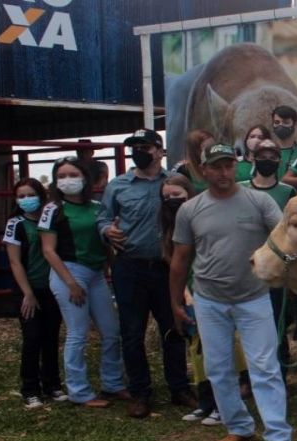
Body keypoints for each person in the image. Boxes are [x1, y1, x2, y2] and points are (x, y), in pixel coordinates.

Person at [170, 143, 293, 441]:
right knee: (218, 367)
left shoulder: (259, 201)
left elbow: (282, 241)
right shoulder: (190, 210)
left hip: (253, 297)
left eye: (229, 165)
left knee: (264, 366)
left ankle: (278, 436)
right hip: (209, 301)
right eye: (216, 166)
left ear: (236, 167)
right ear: (204, 170)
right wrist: (175, 300)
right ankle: (238, 426)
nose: (224, 172)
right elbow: (180, 259)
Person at [97, 129, 195, 419]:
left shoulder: (174, 184)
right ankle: (139, 392)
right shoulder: (117, 186)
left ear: (160, 151)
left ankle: (179, 387)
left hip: (167, 267)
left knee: (173, 329)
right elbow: (102, 216)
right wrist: (105, 229)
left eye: (146, 146)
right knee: (132, 332)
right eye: (135, 147)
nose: (139, 151)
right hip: (130, 266)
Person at [159, 174, 250, 426]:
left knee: (218, 351)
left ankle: (225, 405)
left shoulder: (203, 219)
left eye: (176, 195)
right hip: (189, 293)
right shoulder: (168, 226)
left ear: (189, 193)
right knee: (197, 350)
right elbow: (174, 263)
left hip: (210, 292)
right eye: (166, 197)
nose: (171, 200)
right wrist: (183, 295)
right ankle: (206, 402)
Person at [38, 156, 128, 408]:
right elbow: (48, 250)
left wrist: (112, 269)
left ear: (85, 178)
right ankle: (79, 391)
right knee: (77, 334)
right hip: (69, 272)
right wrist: (70, 283)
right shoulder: (52, 210)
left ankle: (113, 382)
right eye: (61, 176)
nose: (67, 180)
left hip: (97, 274)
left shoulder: (97, 208)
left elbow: (105, 243)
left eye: (73, 175)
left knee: (111, 332)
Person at [3, 178, 66, 409]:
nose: (25, 199)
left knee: (51, 337)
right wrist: (27, 293)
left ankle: (52, 385)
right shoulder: (15, 224)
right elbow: (14, 261)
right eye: (20, 196)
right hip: (27, 290)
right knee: (32, 339)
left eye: (30, 194)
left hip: (51, 288)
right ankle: (30, 389)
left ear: (41, 195)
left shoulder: (51, 220)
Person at [241, 139, 297, 379]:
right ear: (252, 158)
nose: (267, 160)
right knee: (245, 324)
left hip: (275, 267)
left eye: (273, 156)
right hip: (246, 267)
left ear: (280, 161)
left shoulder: (288, 192)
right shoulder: (241, 188)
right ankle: (246, 378)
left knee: (277, 323)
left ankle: (280, 378)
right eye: (262, 155)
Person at [271, 105, 297, 176]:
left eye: (285, 122)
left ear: (295, 125)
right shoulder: (266, 150)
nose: (280, 125)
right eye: (277, 122)